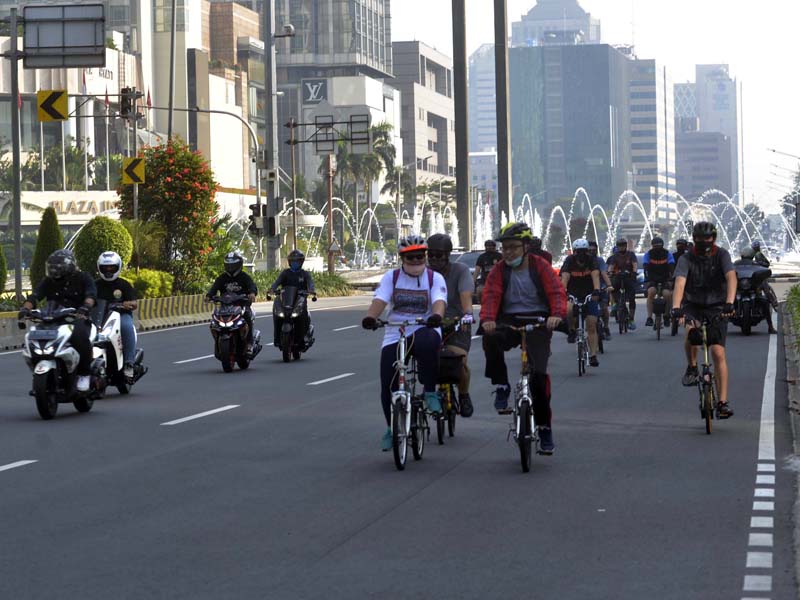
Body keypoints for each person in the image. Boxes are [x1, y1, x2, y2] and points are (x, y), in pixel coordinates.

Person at [479, 222, 566, 455]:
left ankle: (545, 428)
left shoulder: (541, 267)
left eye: (513, 247)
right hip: (509, 320)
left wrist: (556, 315)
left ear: (526, 246)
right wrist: (488, 319)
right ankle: (502, 385)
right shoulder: (499, 270)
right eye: (504, 248)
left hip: (538, 321)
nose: (507, 252)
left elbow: (556, 292)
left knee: (538, 379)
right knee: (491, 339)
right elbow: (490, 296)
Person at [361, 234, 447, 451]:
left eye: (420, 257)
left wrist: (436, 316)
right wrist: (371, 317)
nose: (416, 261)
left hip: (425, 327)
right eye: (411, 258)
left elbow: (439, 301)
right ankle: (392, 428)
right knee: (387, 384)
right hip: (395, 330)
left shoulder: (434, 278)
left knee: (429, 343)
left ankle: (429, 392)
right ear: (402, 259)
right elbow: (380, 300)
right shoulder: (392, 277)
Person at [671, 221, 737, 418]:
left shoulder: (722, 255)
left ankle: (723, 403)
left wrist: (730, 302)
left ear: (714, 238)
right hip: (693, 305)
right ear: (694, 239)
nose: (703, 242)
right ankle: (691, 367)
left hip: (718, 306)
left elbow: (731, 277)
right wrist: (676, 307)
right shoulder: (687, 258)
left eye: (707, 239)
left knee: (718, 353)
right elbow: (680, 283)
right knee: (691, 333)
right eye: (699, 239)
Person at [19, 250, 97, 392]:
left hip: (77, 318)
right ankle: (40, 367)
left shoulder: (83, 278)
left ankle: (84, 374)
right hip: (53, 319)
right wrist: (25, 309)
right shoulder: (48, 281)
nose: (54, 271)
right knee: (34, 335)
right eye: (52, 268)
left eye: (58, 268)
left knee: (79, 336)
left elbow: (91, 295)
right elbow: (34, 297)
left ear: (69, 266)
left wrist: (85, 307)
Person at [427, 233, 475, 417]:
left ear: (448, 255)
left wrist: (468, 314)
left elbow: (465, 297)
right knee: (425, 359)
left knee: (458, 361)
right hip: (430, 323)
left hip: (457, 323)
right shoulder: (423, 271)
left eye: (439, 255)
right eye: (430, 255)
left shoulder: (460, 270)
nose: (434, 259)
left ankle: (463, 395)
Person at [95, 251, 138, 379]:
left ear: (118, 267)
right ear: (99, 268)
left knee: (127, 327)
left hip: (120, 316)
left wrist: (127, 304)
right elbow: (87, 298)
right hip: (99, 317)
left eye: (112, 267)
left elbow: (134, 303)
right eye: (105, 268)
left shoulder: (124, 285)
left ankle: (129, 363)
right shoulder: (95, 285)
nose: (108, 270)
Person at [561, 239, 602, 366]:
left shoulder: (591, 260)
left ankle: (593, 355)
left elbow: (595, 275)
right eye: (578, 252)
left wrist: (596, 291)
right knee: (568, 309)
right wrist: (563, 291)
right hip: (573, 293)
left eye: (584, 251)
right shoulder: (569, 261)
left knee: (591, 324)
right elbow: (565, 277)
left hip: (589, 294)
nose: (581, 254)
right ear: (574, 252)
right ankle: (572, 330)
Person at [206, 251, 258, 351]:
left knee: (247, 316)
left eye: (233, 265)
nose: (230, 268)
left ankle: (249, 342)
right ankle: (218, 342)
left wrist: (252, 293)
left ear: (239, 265)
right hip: (225, 306)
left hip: (241, 306)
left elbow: (252, 286)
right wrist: (209, 296)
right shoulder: (222, 278)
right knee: (214, 321)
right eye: (228, 265)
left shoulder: (244, 277)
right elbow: (214, 288)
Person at [270, 249, 316, 349]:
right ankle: (277, 338)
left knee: (303, 316)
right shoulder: (285, 273)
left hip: (299, 300)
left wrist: (311, 290)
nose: (295, 263)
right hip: (286, 301)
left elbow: (310, 283)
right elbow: (277, 282)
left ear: (301, 262)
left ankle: (303, 338)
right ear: (289, 262)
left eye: (297, 261)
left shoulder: (305, 274)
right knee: (277, 315)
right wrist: (272, 289)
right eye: (293, 261)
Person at [735, 247, 777, 334]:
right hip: (739, 288)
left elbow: (764, 269)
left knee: (765, 301)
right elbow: (727, 271)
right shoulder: (735, 264)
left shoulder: (756, 265)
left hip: (753, 289)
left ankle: (770, 326)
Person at [642, 237, 675, 328]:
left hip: (665, 279)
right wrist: (648, 280)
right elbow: (646, 268)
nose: (657, 248)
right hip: (652, 279)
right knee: (651, 292)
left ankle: (666, 315)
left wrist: (671, 280)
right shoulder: (648, 255)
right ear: (652, 246)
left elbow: (672, 268)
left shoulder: (667, 254)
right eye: (655, 246)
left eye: (659, 246)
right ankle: (649, 317)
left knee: (667, 295)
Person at [607, 238, 638, 330]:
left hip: (629, 277)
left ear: (626, 246)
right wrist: (610, 272)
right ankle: (616, 303)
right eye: (620, 245)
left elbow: (635, 264)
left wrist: (634, 272)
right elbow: (611, 266)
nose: (621, 247)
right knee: (612, 287)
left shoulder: (631, 255)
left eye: (623, 245)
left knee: (632, 297)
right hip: (618, 277)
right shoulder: (615, 256)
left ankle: (631, 319)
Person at [588, 240, 614, 340]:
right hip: (587, 289)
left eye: (594, 250)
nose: (592, 252)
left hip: (601, 287)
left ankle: (606, 327)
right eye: (589, 250)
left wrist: (609, 285)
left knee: (604, 308)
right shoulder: (583, 261)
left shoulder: (599, 260)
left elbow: (604, 273)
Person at [751, 240, 779, 310]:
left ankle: (774, 304)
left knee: (766, 290)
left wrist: (758, 263)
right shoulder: (756, 254)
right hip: (758, 274)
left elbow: (764, 264)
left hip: (761, 275)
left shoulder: (758, 254)